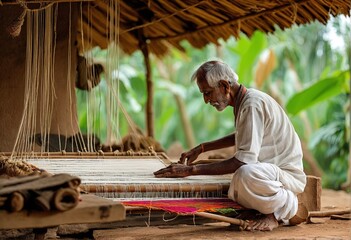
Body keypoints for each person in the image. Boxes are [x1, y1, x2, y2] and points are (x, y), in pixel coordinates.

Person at [154, 60, 307, 231]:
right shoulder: (246, 101)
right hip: (270, 172)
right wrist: (202, 148)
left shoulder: (252, 104)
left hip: (286, 175)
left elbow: (243, 162)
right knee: (237, 178)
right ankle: (259, 209)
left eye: (208, 93)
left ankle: (278, 210)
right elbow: (244, 135)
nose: (206, 100)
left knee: (244, 174)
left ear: (225, 86)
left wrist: (190, 171)